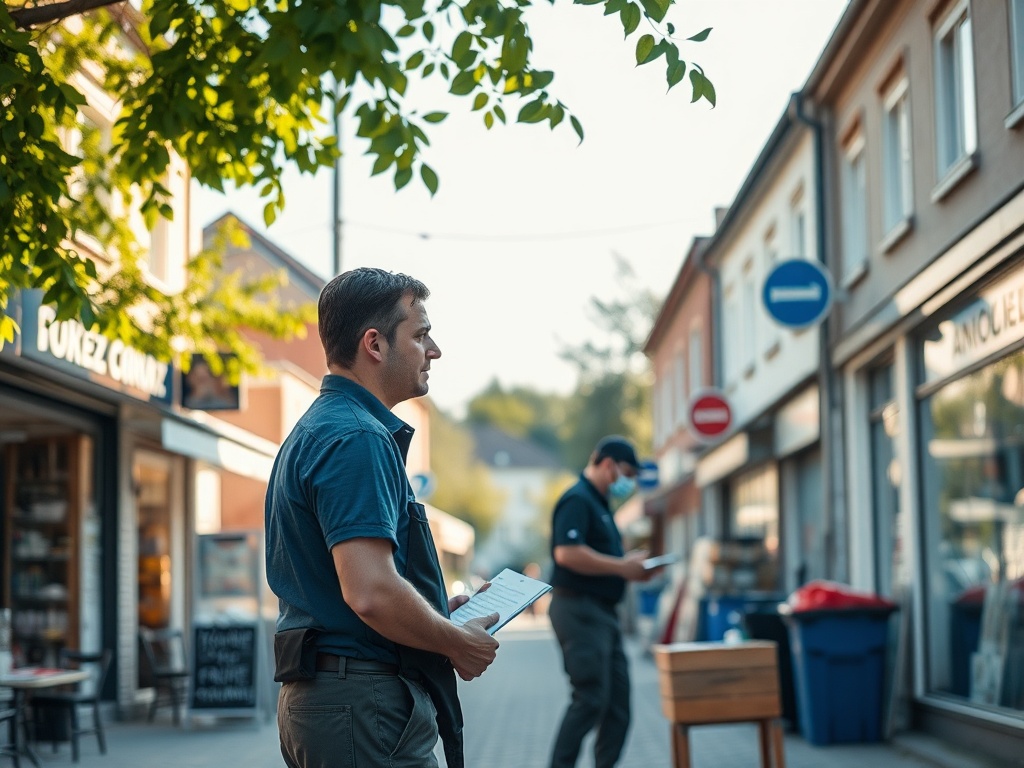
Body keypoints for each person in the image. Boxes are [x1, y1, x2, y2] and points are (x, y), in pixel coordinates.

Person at [265, 268, 499, 768]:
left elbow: (350, 585)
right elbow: (369, 591)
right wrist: (457, 642)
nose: (434, 351)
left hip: (335, 699)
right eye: (420, 335)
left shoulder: (318, 429)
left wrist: (434, 611)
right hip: (361, 704)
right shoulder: (358, 438)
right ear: (374, 344)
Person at [547, 435, 654, 768]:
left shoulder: (600, 503)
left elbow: (599, 555)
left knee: (618, 706)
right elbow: (566, 553)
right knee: (590, 700)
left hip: (602, 614)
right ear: (607, 464)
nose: (629, 482)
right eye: (627, 473)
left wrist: (628, 563)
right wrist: (623, 566)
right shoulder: (578, 499)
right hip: (578, 609)